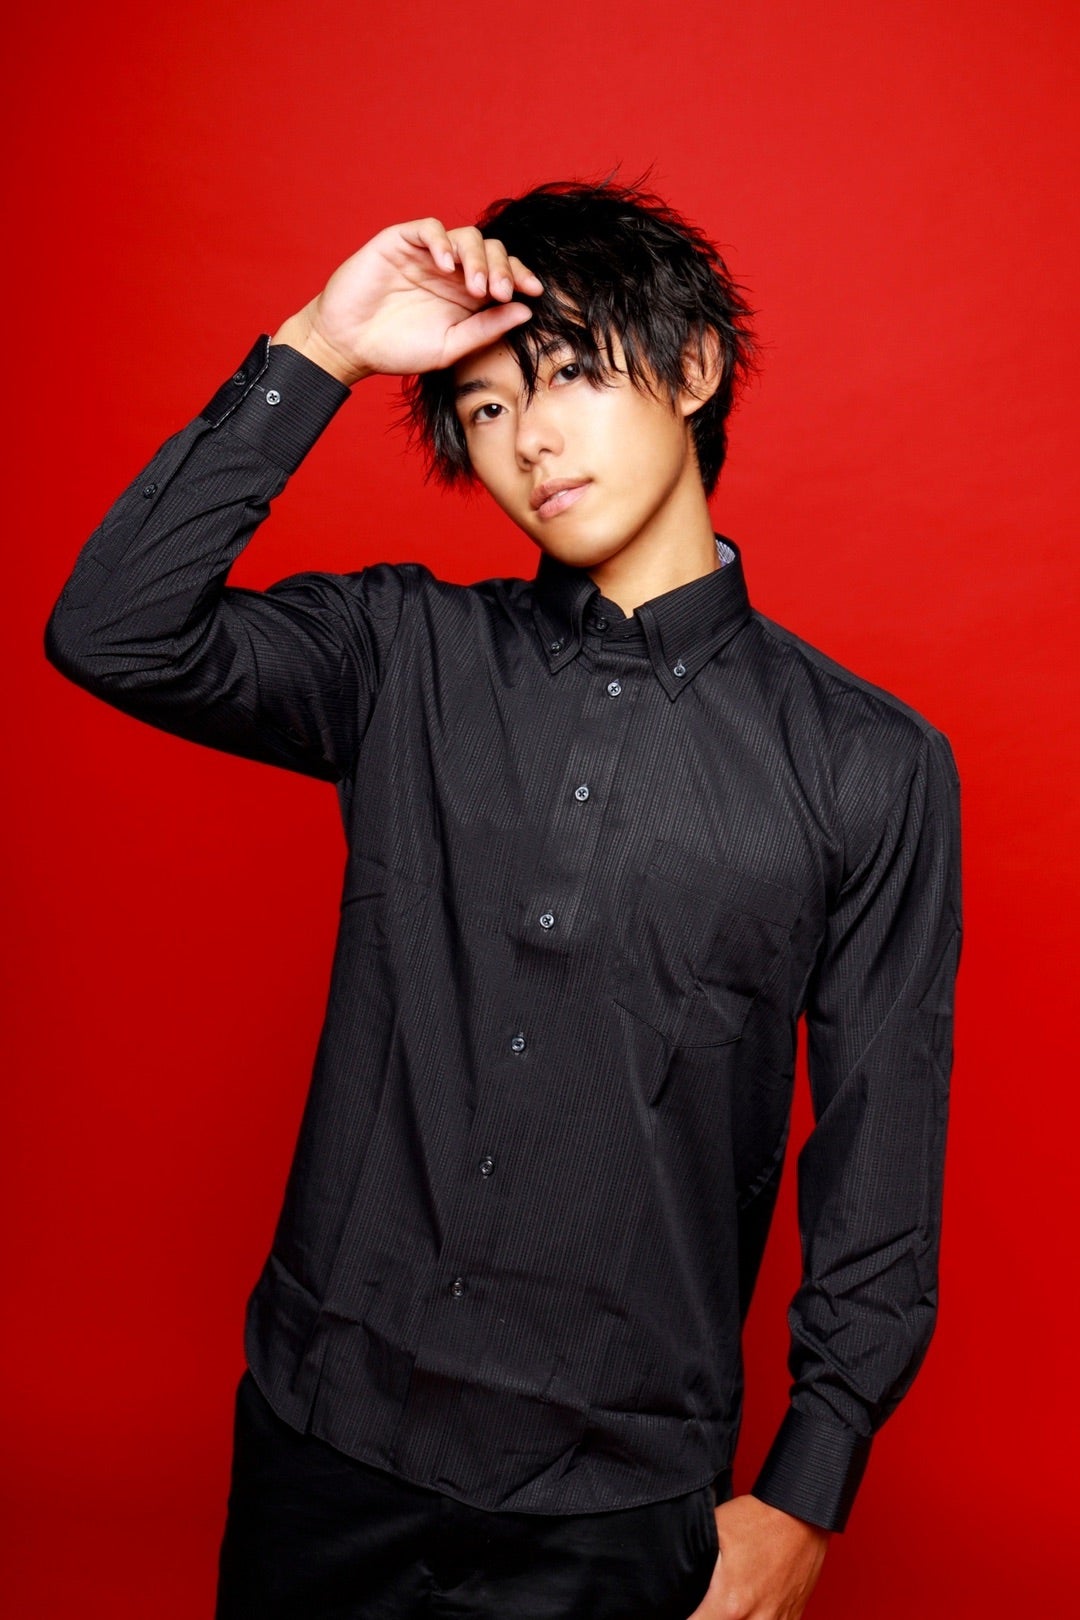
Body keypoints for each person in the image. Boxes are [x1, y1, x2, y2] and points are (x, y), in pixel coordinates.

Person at [43, 176, 963, 1619]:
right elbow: (113, 629)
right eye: (483, 407)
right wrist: (324, 344)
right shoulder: (398, 651)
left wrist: (806, 1491)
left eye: (572, 374)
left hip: (614, 1507)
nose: (529, 438)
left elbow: (880, 1160)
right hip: (323, 1448)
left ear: (694, 369)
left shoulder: (868, 764)